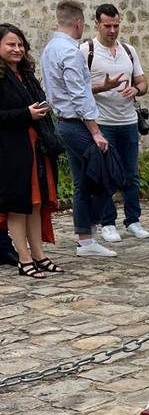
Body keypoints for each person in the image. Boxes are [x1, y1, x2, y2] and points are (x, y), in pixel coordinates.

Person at [40, 0, 115, 257]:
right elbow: (79, 94)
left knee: (84, 180)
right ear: (79, 23)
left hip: (62, 122)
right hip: (75, 125)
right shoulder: (71, 52)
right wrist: (95, 131)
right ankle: (88, 235)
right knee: (106, 174)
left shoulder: (50, 48)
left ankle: (86, 238)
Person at [0, 23, 63, 278]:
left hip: (37, 147)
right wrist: (26, 114)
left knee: (36, 203)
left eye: (20, 44)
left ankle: (39, 255)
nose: (17, 49)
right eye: (10, 44)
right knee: (19, 205)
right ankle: (23, 258)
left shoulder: (26, 74)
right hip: (11, 151)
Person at [87, 3, 149, 243]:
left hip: (128, 121)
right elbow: (78, 88)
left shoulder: (129, 50)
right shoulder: (87, 51)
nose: (112, 30)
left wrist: (137, 88)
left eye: (116, 25)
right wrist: (104, 87)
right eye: (107, 26)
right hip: (103, 122)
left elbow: (144, 82)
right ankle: (107, 222)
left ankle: (133, 220)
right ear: (97, 24)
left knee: (131, 174)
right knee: (105, 175)